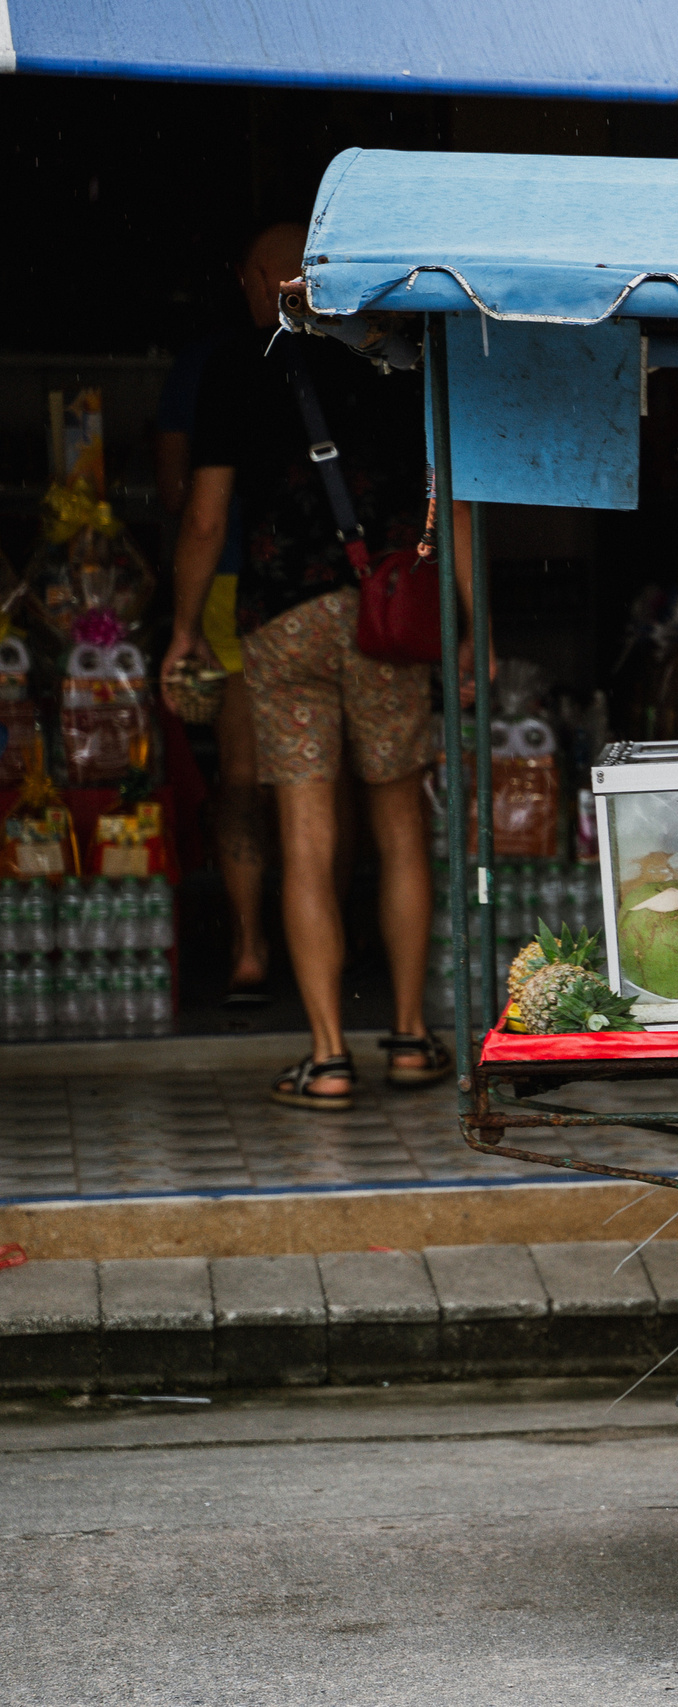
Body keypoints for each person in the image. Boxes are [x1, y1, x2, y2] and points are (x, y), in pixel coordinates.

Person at [159, 221, 462, 1109]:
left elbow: (206, 521)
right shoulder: (396, 354)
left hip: (283, 621)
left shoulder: (235, 367)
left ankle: (328, 1056)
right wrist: (466, 623)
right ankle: (410, 1037)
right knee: (400, 823)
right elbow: (449, 492)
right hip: (386, 617)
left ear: (265, 279)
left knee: (307, 835)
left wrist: (183, 630)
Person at [156, 334, 273, 1007]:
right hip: (332, 589)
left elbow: (182, 498)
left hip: (231, 582)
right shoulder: (352, 345)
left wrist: (182, 624)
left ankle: (250, 946)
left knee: (240, 774)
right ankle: (335, 938)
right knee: (322, 781)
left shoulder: (205, 361)